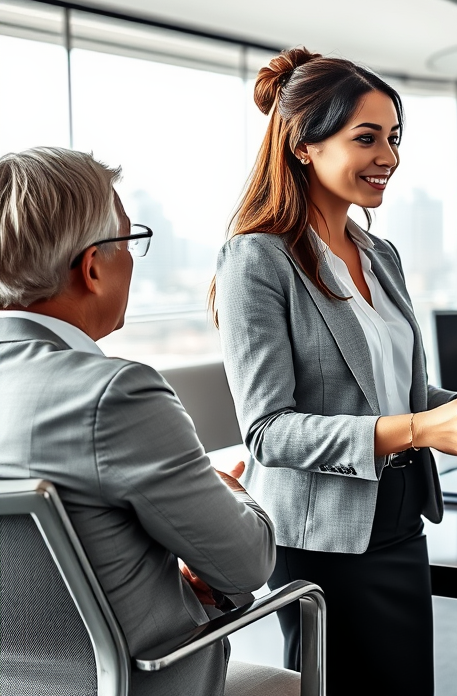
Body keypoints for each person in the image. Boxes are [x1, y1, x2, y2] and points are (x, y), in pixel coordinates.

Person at [212, 47, 457, 696]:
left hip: (400, 518)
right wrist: (419, 428)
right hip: (324, 539)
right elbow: (270, 432)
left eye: (394, 138)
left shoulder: (378, 253)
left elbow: (402, 394)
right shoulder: (258, 260)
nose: (389, 156)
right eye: (367, 138)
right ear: (304, 145)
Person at [0, 147, 278, 695]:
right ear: (93, 265)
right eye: (130, 243)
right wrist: (232, 493)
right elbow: (246, 565)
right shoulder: (113, 394)